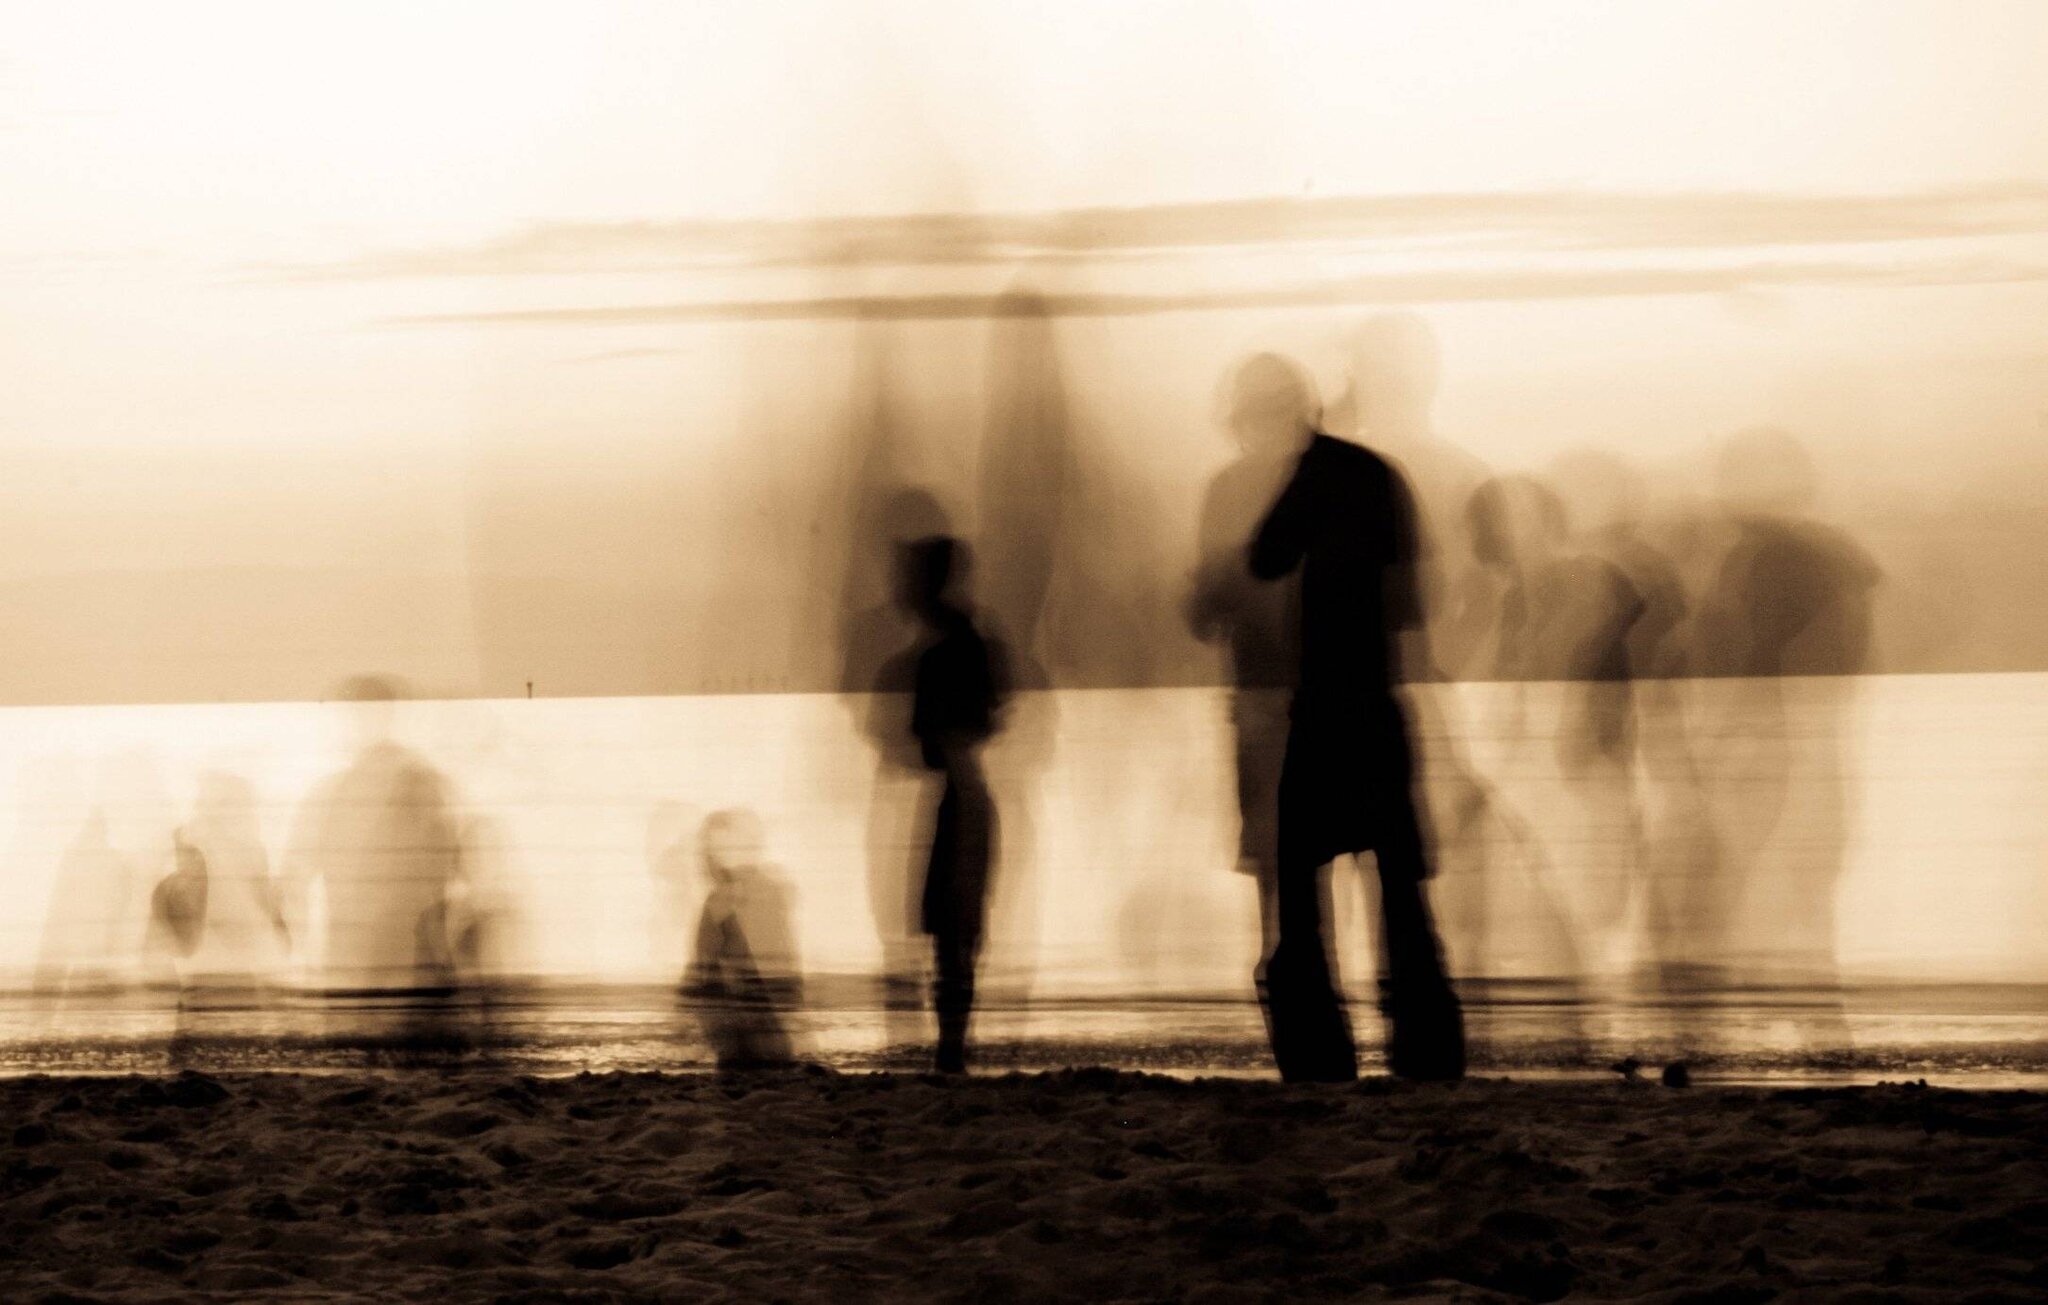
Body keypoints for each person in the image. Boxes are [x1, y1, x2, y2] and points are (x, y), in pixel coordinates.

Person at [1243, 355, 1464, 1082]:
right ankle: (1422, 1042)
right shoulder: (1383, 480)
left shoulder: (1318, 474)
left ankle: (1317, 1042)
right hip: (1378, 703)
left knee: (1301, 877)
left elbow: (1267, 556)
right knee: (1400, 882)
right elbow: (1410, 605)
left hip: (1326, 706)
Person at [899, 535, 1008, 1074]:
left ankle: (951, 1051)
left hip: (959, 801)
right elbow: (989, 719)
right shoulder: (973, 646)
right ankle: (952, 1050)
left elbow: (929, 747)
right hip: (972, 798)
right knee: (958, 930)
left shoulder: (939, 655)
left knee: (950, 928)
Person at [682, 807, 802, 1069]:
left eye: (709, 853)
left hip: (743, 1014)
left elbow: (704, 966)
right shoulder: (768, 890)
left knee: (742, 1062)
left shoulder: (722, 901)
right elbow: (784, 953)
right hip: (763, 1010)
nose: (704, 861)